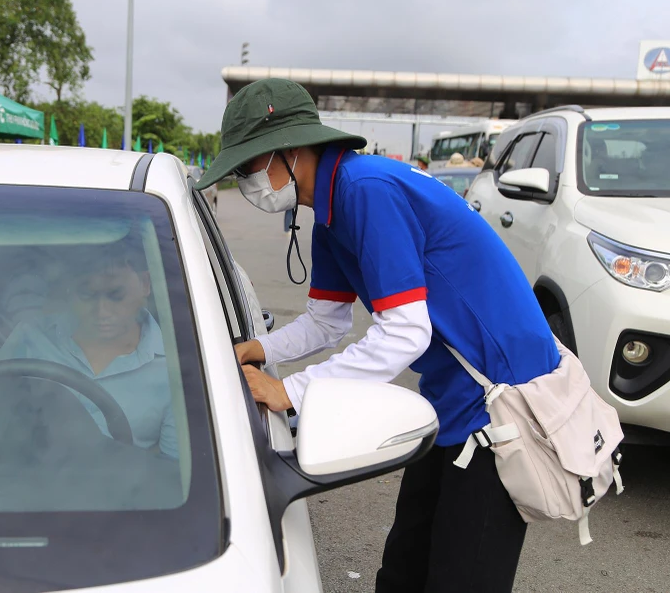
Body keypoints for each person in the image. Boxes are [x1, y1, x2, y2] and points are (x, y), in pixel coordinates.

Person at [195, 78, 559, 592]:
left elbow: (406, 332)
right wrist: (261, 349)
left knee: (461, 578)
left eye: (249, 166)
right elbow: (328, 322)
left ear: (289, 151)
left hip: (501, 409)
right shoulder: (329, 215)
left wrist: (291, 392)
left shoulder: (366, 191)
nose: (247, 183)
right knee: (403, 571)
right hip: (451, 401)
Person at [0, 237, 178, 459]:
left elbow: (172, 471)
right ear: (71, 290)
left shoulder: (175, 366)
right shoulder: (31, 337)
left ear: (145, 284)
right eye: (87, 295)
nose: (102, 311)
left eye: (116, 295)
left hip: (126, 490)